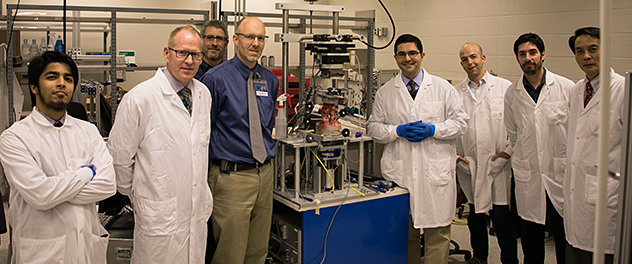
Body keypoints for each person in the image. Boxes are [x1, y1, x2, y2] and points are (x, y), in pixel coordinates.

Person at [107, 25, 213, 263]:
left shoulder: (203, 94)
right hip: (158, 216)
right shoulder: (139, 98)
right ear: (167, 53)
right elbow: (119, 157)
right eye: (181, 52)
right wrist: (135, 193)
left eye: (196, 54)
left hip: (195, 214)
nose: (189, 60)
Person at [0, 51, 116, 263]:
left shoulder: (88, 131)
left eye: (68, 79)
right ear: (34, 86)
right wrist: (86, 173)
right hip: (41, 252)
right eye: (52, 77)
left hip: (85, 249)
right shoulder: (14, 137)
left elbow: (108, 185)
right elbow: (40, 195)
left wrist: (54, 190)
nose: (62, 83)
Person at [367, 34, 469, 264]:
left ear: (422, 55)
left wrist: (434, 130)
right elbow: (373, 128)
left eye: (412, 53)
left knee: (438, 235)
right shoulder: (385, 92)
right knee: (405, 235)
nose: (408, 58)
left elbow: (461, 123)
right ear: (395, 58)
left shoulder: (443, 88)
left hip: (435, 175)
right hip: (401, 175)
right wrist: (397, 131)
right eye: (402, 54)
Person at [200, 17, 278, 264]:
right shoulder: (214, 80)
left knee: (257, 253)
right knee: (229, 255)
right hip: (231, 179)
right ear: (235, 40)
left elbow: (267, 125)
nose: (255, 43)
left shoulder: (270, 80)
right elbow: (203, 133)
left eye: (261, 38)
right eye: (249, 37)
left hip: (264, 175)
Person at [503, 33, 575, 264]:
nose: (528, 58)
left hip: (560, 173)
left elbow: (576, 131)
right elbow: (513, 133)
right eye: (522, 54)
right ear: (517, 59)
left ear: (542, 55)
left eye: (532, 52)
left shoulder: (566, 87)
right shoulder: (512, 94)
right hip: (529, 174)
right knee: (531, 240)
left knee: (565, 237)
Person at [564, 27, 624, 264]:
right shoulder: (577, 89)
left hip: (607, 197)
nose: (586, 56)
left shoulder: (622, 89)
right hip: (576, 193)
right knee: (576, 251)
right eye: (580, 51)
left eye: (593, 49)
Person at [454, 42, 518, 264]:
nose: (469, 62)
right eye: (464, 59)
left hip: (498, 164)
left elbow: (516, 126)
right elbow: (452, 128)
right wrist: (456, 157)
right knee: (475, 216)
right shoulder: (455, 93)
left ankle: (510, 261)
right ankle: (480, 258)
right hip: (470, 164)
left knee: (501, 218)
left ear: (483, 58)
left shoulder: (504, 88)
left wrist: (507, 152)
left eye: (473, 57)